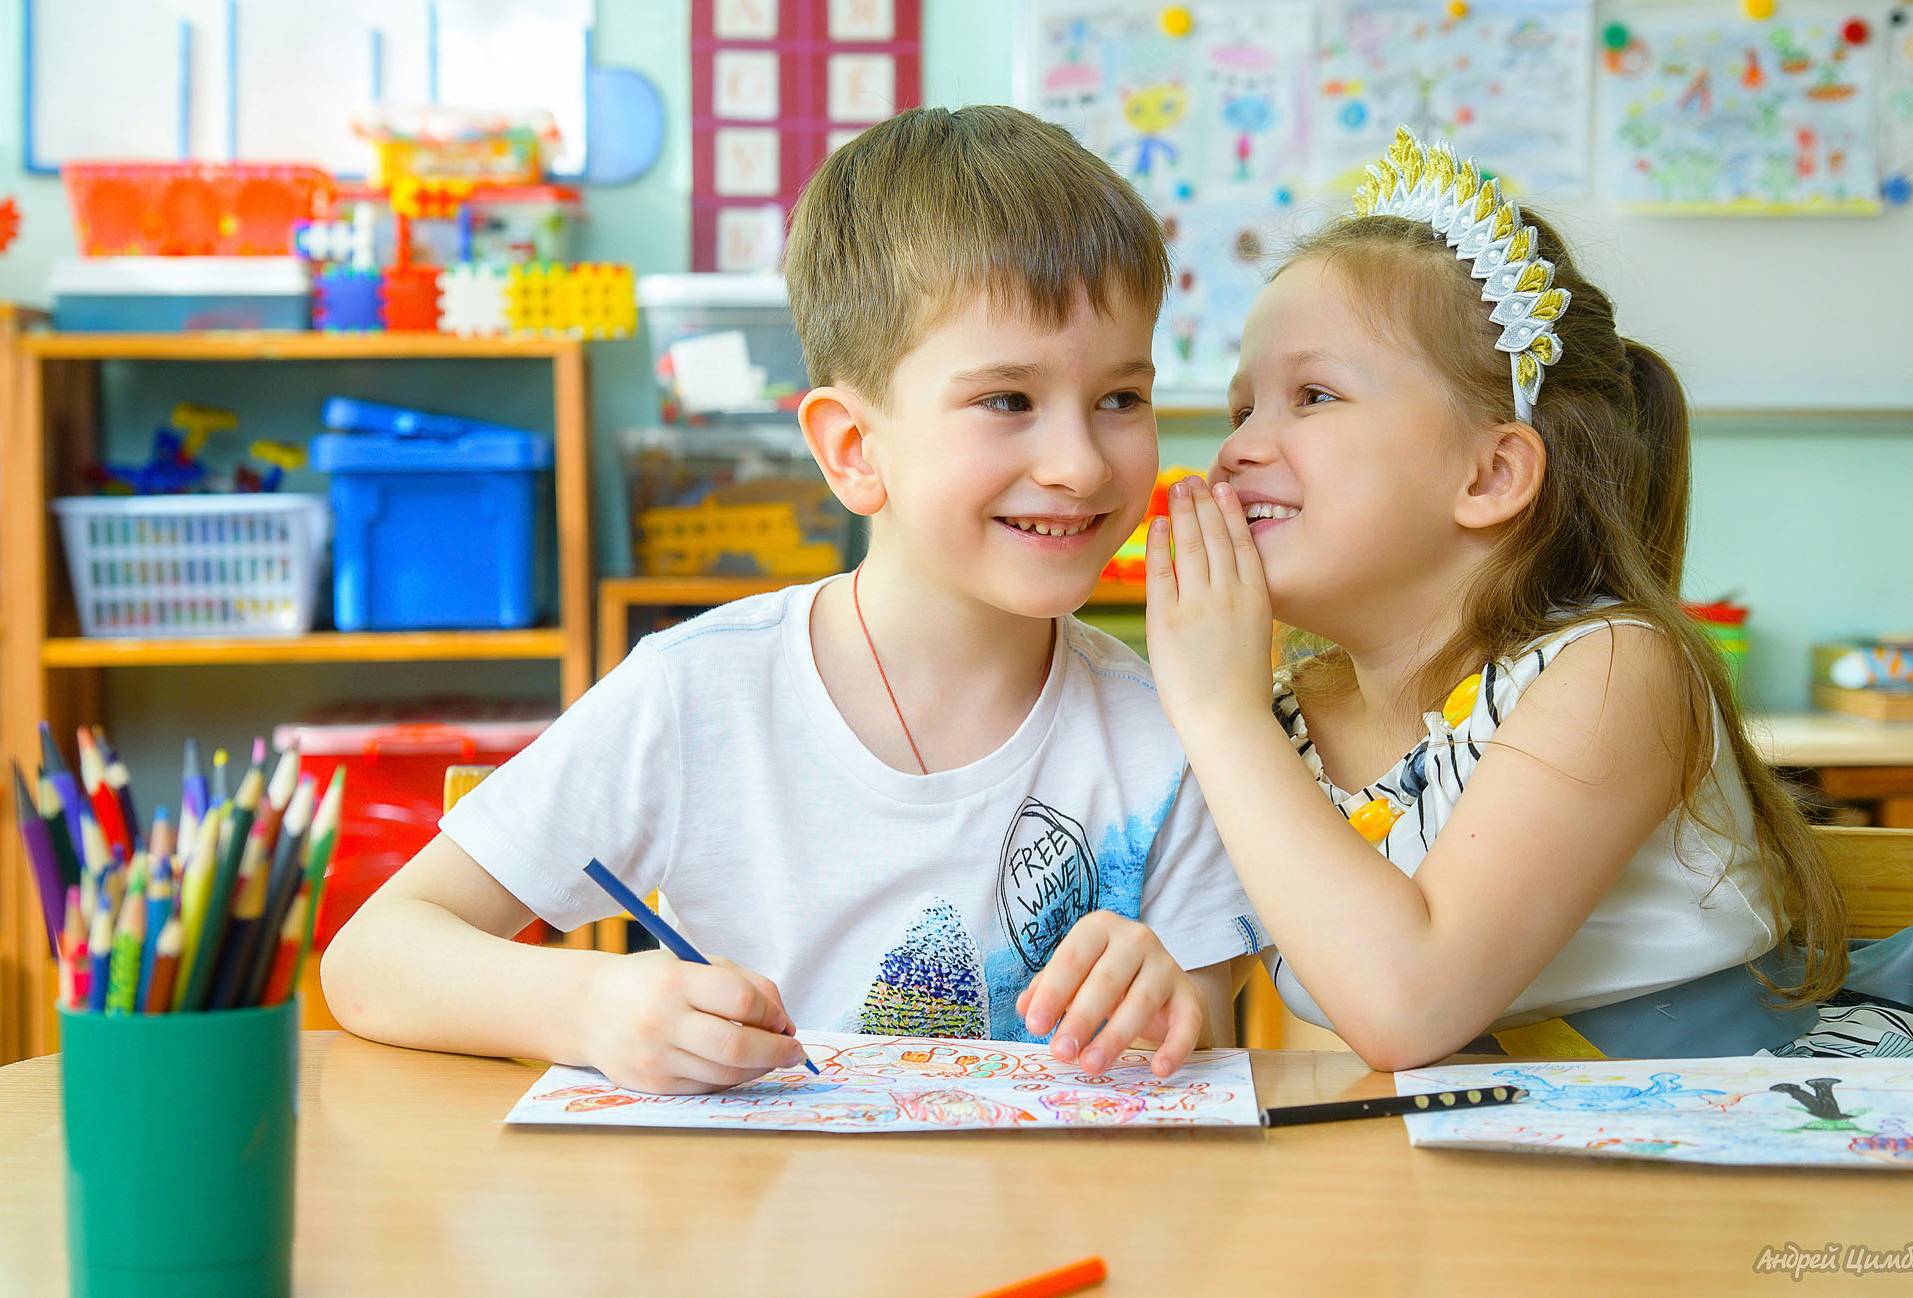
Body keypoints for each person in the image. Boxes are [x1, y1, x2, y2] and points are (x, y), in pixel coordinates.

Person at [324, 106, 1264, 1092]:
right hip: (761, 1234)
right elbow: (370, 957)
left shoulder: (1174, 725)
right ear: (854, 450)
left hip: (1068, 1233)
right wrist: (592, 1004)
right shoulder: (696, 693)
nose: (1078, 463)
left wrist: (1166, 1001)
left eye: (1120, 397)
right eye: (1007, 401)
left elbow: (1197, 1025)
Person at [1114, 130, 1913, 1066]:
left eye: (1312, 395)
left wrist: (1218, 712)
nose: (1237, 447)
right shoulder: (1278, 717)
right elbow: (1225, 984)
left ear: (1489, 475)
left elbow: (1407, 1004)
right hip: (1507, 1175)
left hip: (1761, 1147)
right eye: (1243, 409)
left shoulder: (1615, 671)